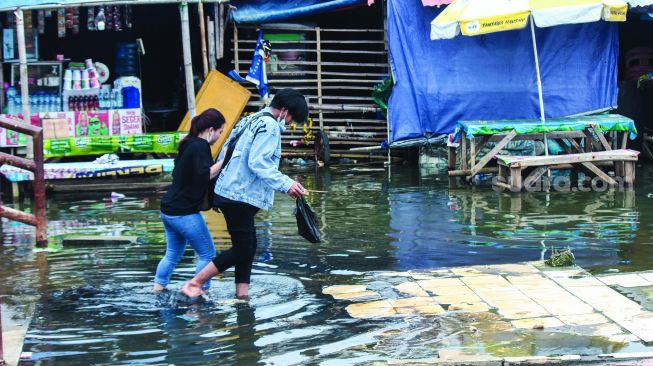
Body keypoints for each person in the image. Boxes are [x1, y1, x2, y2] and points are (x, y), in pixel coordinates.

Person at [181, 88, 308, 299]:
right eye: (292, 118)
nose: (290, 123)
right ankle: (195, 284)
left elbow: (226, 152)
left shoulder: (251, 119)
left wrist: (216, 191)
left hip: (231, 191)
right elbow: (258, 163)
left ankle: (242, 294)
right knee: (242, 249)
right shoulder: (269, 126)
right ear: (285, 110)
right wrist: (287, 184)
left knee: (248, 247)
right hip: (239, 194)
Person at [153, 108, 226, 293]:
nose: (219, 137)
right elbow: (205, 175)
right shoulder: (200, 146)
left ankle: (157, 288)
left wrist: (213, 201)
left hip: (168, 210)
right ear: (211, 130)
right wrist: (226, 160)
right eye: (219, 132)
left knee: (171, 255)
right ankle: (200, 291)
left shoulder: (187, 143)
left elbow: (189, 177)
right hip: (183, 213)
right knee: (208, 255)